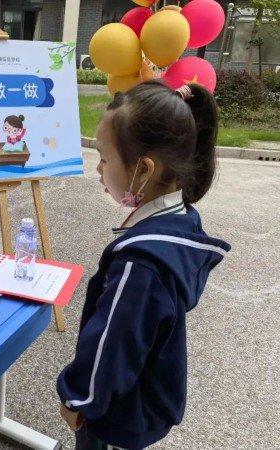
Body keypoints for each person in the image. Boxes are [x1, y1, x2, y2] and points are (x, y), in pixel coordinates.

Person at [57, 80, 231, 450]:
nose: (98, 170)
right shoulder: (182, 222)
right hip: (145, 397)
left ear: (144, 169)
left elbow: (112, 345)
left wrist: (77, 398)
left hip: (116, 413)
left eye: (104, 158)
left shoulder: (141, 264)